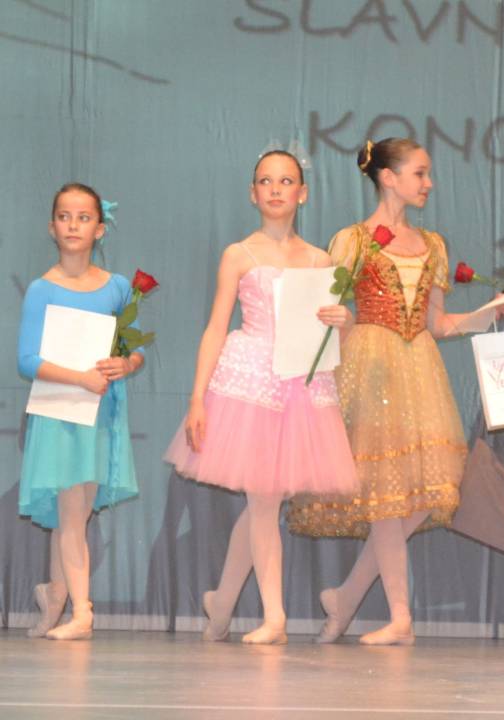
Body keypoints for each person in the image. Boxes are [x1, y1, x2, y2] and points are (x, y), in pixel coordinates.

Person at [287, 138, 479, 646]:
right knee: (388, 498)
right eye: (420, 173)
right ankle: (400, 617)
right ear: (388, 177)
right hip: (371, 366)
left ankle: (347, 597)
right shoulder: (352, 240)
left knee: (420, 497)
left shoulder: (433, 244)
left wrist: (488, 314)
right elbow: (321, 311)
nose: (428, 183)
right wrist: (343, 320)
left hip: (420, 369)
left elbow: (438, 323)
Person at [165, 151, 358, 645]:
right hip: (249, 385)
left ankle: (222, 604)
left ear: (302, 193)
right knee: (264, 503)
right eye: (266, 181)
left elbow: (330, 334)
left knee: (263, 505)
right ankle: (274, 617)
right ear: (253, 193)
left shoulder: (320, 260)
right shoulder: (239, 254)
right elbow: (215, 327)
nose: (275, 189)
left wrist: (344, 321)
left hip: (299, 389)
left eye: (286, 181)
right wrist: (197, 399)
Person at [18, 183, 143, 640]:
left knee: (74, 512)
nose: (73, 225)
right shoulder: (41, 289)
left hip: (99, 414)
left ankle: (54, 596)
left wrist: (125, 364)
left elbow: (134, 349)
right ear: (52, 227)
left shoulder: (117, 288)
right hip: (60, 413)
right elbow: (27, 360)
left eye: (83, 217)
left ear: (100, 229)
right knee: (70, 513)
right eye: (65, 217)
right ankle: (82, 612)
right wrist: (80, 378)